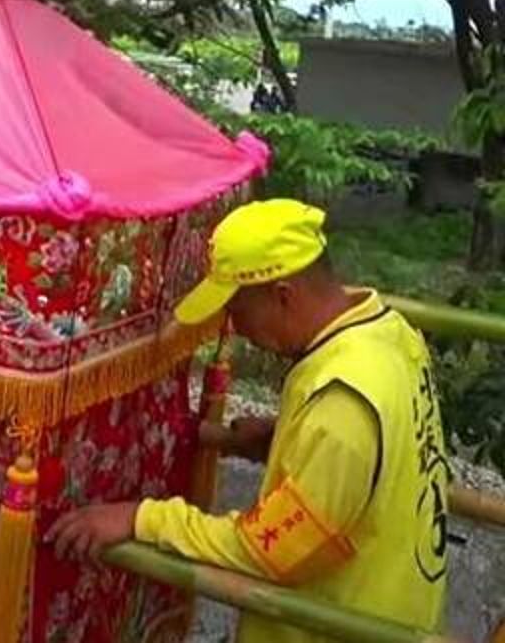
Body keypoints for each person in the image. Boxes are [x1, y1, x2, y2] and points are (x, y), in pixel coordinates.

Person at [48, 199, 450, 643]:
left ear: (283, 295)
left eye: (236, 309)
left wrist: (142, 519)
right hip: (399, 606)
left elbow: (269, 550)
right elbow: (379, 455)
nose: (234, 327)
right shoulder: (390, 332)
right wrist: (287, 438)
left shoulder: (339, 407)